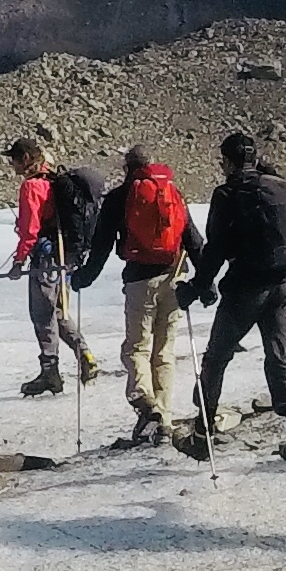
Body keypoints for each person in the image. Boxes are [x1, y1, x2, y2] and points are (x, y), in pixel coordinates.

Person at [175, 130, 286, 465]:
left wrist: (196, 286)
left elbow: (217, 247)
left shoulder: (228, 193)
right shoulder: (278, 184)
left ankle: (202, 433)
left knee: (217, 357)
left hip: (247, 287)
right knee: (279, 357)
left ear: (228, 160)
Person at [76, 142, 199, 446]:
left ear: (126, 167)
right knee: (164, 351)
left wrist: (84, 278)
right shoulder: (171, 192)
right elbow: (192, 237)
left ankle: (146, 405)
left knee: (136, 348)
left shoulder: (120, 198)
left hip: (139, 281)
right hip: (174, 276)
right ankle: (164, 419)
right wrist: (204, 282)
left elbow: (102, 245)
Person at [0, 137, 98, 399]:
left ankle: (50, 372)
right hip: (64, 257)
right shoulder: (54, 181)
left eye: (15, 159)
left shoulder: (32, 187)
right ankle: (84, 353)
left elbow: (30, 231)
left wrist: (19, 262)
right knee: (59, 311)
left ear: (26, 159)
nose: (12, 165)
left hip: (45, 259)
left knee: (42, 314)